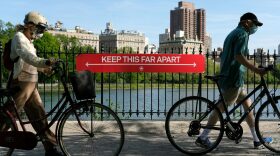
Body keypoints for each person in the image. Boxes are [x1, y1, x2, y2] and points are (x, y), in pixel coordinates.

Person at [195, 12, 273, 149]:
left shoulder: (233, 33)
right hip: (233, 79)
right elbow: (238, 56)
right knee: (219, 110)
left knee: (249, 108)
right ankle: (203, 137)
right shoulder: (242, 34)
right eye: (255, 24)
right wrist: (255, 70)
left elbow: (236, 56)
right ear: (247, 22)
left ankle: (256, 139)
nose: (256, 27)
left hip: (235, 78)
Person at [3, 11, 63, 156]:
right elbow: (27, 56)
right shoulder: (19, 38)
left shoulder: (30, 42)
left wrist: (45, 69)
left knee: (40, 116)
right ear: (30, 25)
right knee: (8, 116)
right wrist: (44, 61)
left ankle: (50, 149)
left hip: (30, 83)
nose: (40, 32)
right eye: (39, 29)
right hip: (20, 84)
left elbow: (31, 64)